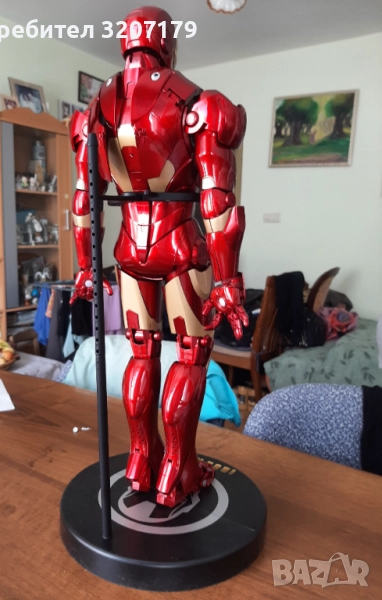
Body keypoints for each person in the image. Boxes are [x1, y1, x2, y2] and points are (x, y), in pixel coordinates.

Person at [69, 6, 248, 507]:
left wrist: (85, 267)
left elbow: (84, 199)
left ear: (125, 41)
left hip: (129, 252)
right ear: (167, 42)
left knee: (142, 351)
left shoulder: (94, 111)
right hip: (181, 249)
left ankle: (141, 461)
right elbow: (217, 202)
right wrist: (228, 282)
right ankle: (177, 470)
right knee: (190, 353)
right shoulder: (200, 102)